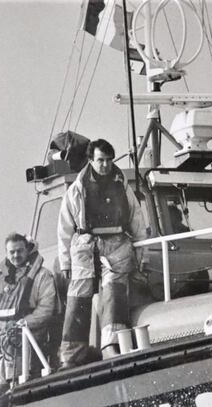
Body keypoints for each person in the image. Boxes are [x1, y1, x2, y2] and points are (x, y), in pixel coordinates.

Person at [57, 138, 149, 367]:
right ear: (91, 160)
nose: (105, 165)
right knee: (78, 295)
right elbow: (64, 227)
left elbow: (136, 216)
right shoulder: (77, 188)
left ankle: (112, 344)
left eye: (109, 160)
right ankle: (71, 352)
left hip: (116, 241)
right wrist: (65, 262)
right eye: (100, 160)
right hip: (85, 243)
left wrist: (141, 251)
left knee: (113, 291)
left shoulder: (121, 184)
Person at [0, 233, 58, 407]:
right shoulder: (1, 280)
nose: (16, 256)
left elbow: (46, 309)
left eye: (20, 251)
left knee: (29, 394)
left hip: (30, 343)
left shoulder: (42, 276)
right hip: (3, 351)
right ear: (6, 253)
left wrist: (23, 323)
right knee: (0, 398)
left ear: (28, 249)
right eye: (11, 252)